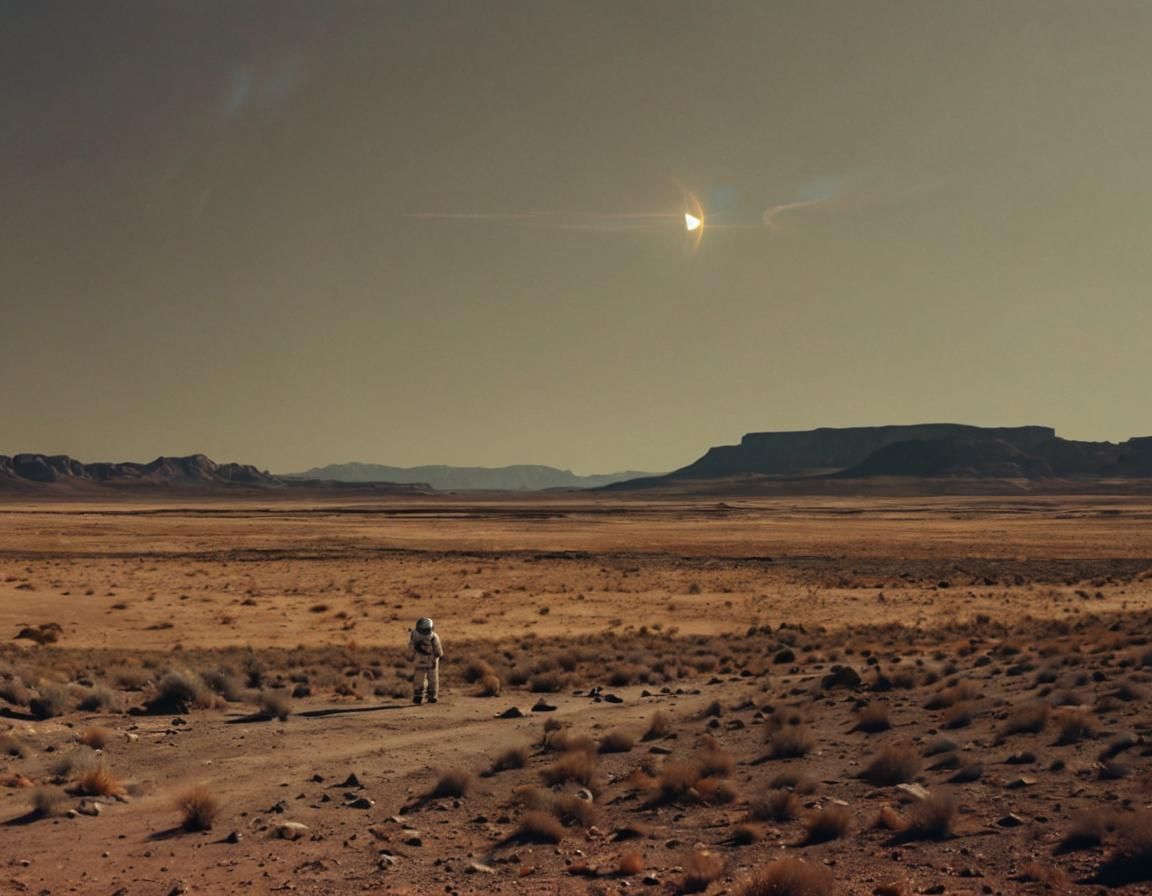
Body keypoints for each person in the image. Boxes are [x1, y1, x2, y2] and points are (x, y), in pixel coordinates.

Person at [409, 617, 443, 704]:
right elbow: (438, 651)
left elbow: (411, 647)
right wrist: (436, 658)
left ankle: (418, 696)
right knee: (433, 680)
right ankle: (432, 696)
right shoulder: (434, 637)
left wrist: (411, 656)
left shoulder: (414, 635)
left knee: (419, 679)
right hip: (431, 662)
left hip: (420, 661)